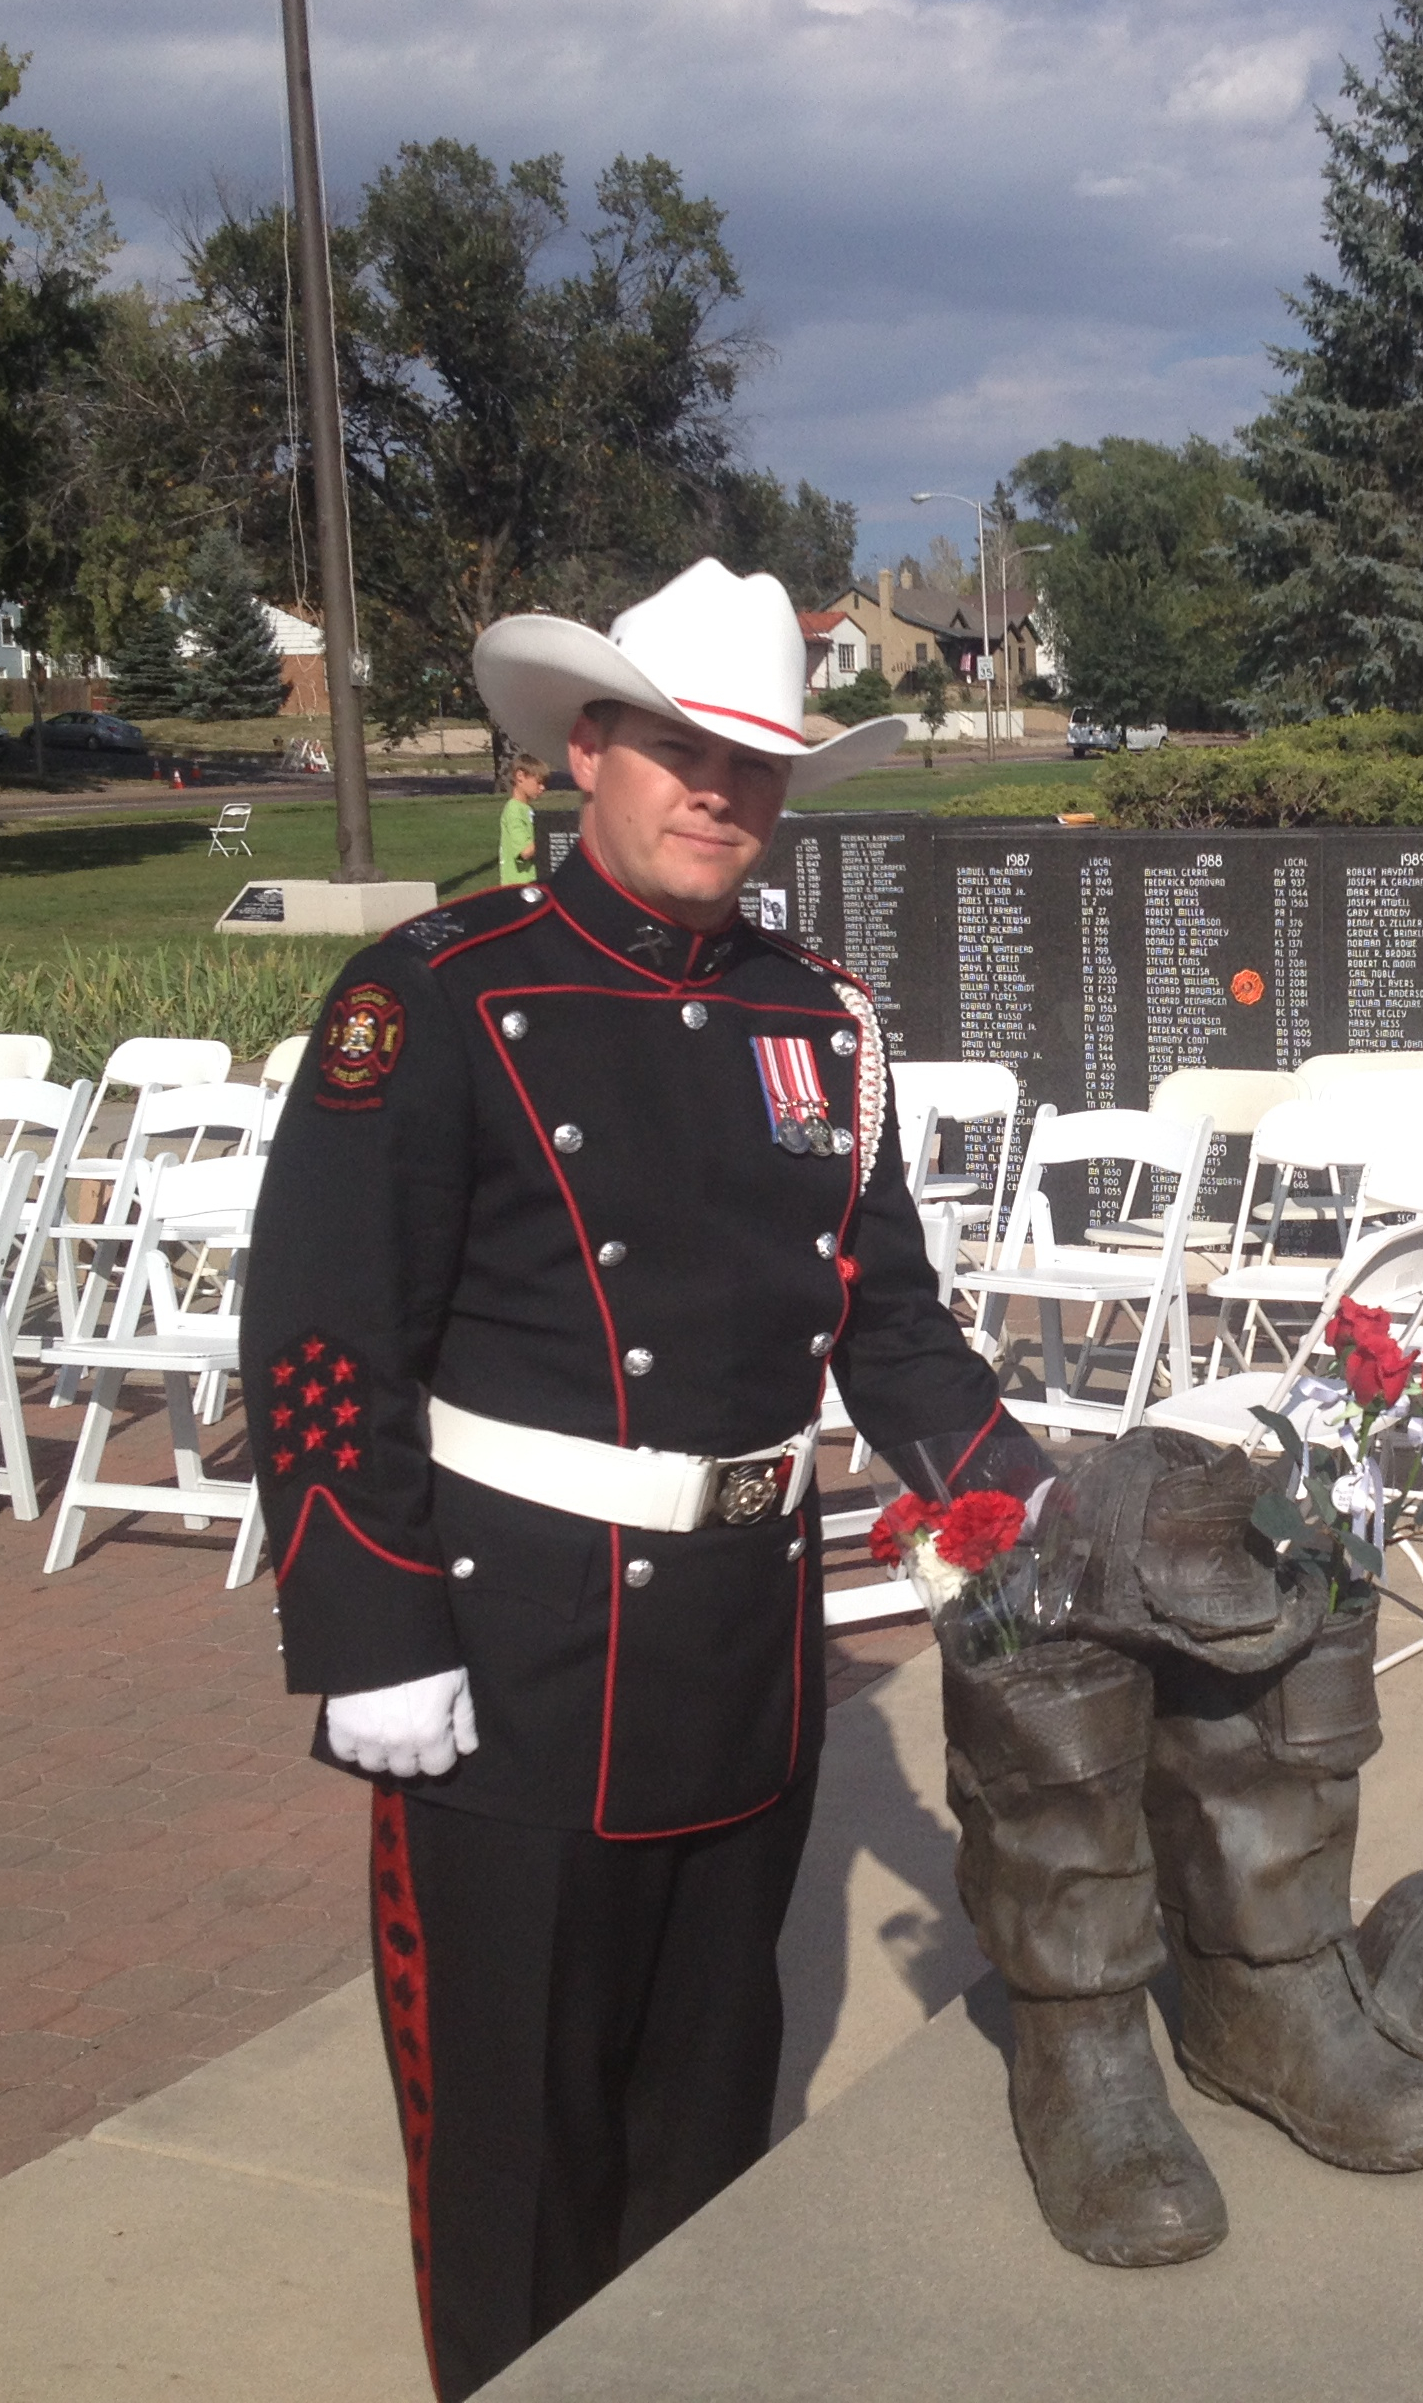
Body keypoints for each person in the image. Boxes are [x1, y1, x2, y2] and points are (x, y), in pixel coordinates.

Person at [239, 560, 1016, 2401]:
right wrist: (368, 1621)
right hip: (508, 1661)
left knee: (701, 2109)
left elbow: (889, 1327)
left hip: (748, 1644)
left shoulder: (815, 1018)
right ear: (585, 746)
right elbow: (325, 1327)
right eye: (677, 748)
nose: (718, 792)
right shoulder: (436, 991)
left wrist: (1027, 1503)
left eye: (755, 762)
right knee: (516, 2139)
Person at [495, 755, 547, 886]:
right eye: (539, 782)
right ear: (520, 776)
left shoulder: (526, 809)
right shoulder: (513, 810)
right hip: (518, 885)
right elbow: (524, 851)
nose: (542, 788)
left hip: (532, 882)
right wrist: (551, 837)